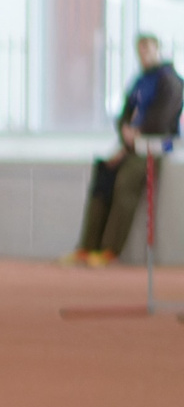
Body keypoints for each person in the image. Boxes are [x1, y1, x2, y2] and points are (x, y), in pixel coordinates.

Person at [69, 34, 181, 267]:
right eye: (140, 50)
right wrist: (126, 133)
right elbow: (124, 114)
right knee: (103, 175)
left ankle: (110, 249)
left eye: (148, 50)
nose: (144, 54)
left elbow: (162, 119)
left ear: (157, 50)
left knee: (125, 182)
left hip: (154, 148)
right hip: (131, 146)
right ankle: (88, 246)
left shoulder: (170, 80)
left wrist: (137, 134)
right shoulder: (140, 81)